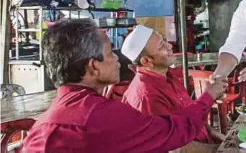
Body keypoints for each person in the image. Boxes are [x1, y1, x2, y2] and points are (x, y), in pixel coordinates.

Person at [21, 19, 228, 152]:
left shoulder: (44, 123)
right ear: (93, 66)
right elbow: (174, 133)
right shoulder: (102, 116)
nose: (117, 60)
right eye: (111, 53)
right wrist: (208, 96)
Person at [120, 25, 225, 147]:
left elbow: (190, 115)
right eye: (161, 46)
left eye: (164, 40)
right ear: (146, 61)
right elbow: (174, 146)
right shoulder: (147, 96)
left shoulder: (169, 76)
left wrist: (215, 134)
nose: (169, 46)